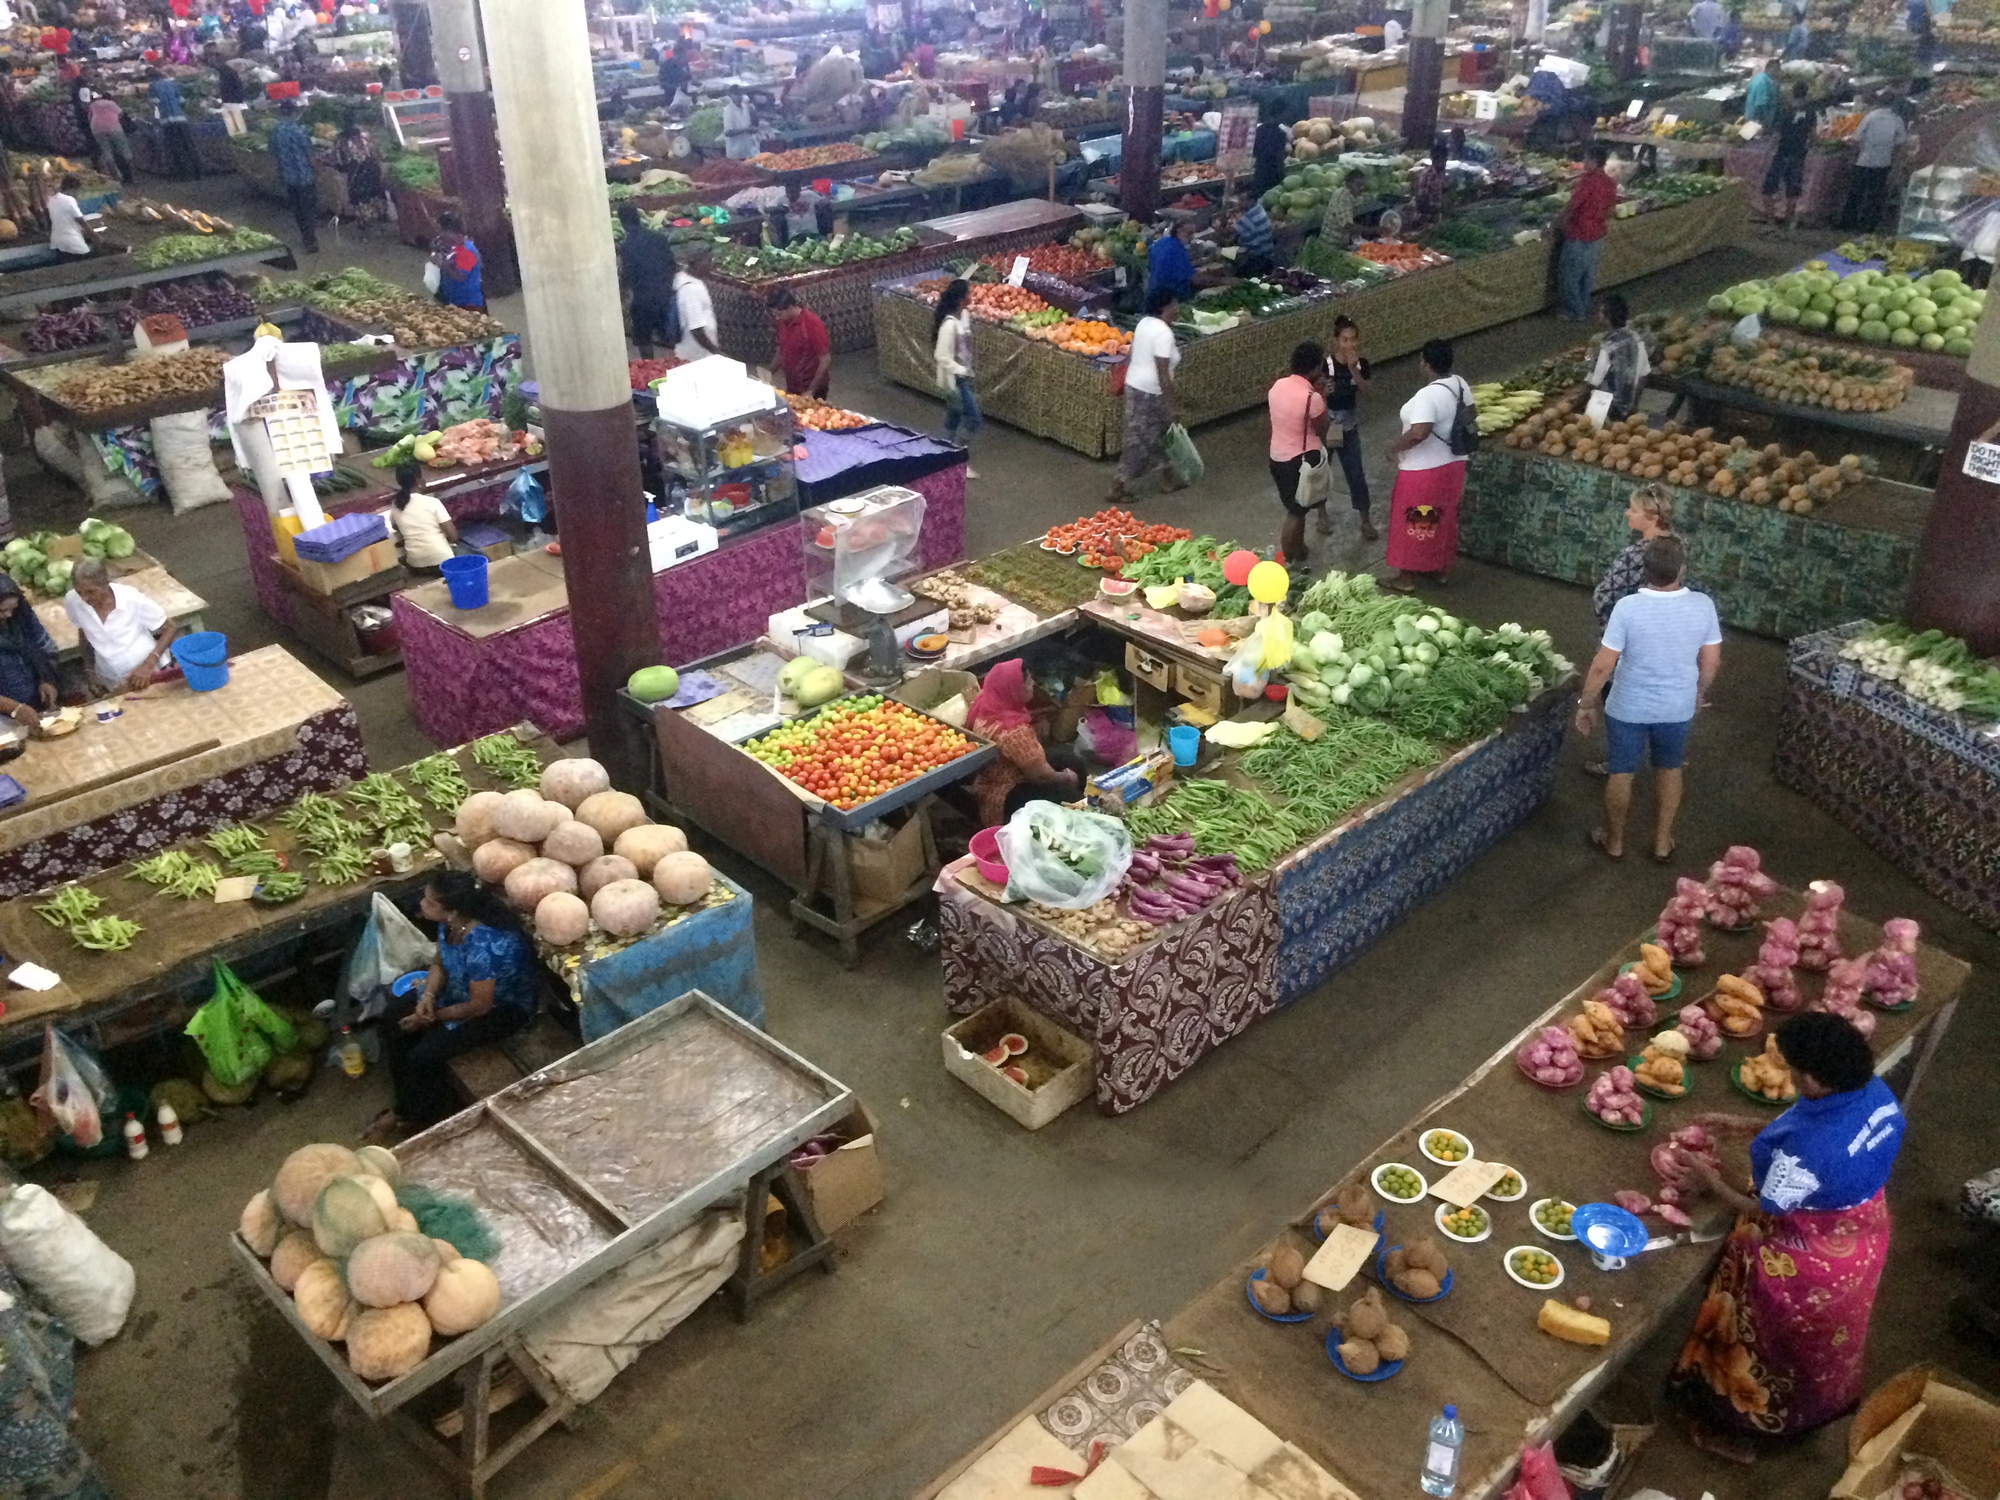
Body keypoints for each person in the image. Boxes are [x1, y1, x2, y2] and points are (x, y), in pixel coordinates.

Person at [1667, 1012, 1903, 1456]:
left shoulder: (1813, 1149)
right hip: (1862, 1230)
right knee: (1820, 1348)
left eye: (1796, 1073)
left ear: (1813, 1078)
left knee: (1766, 1344)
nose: (1793, 1080)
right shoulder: (1875, 1093)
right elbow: (1814, 1126)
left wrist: (1708, 1180)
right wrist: (1745, 1125)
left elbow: (1766, 1206)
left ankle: (1743, 1434)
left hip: (1808, 1258)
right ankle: (1810, 1413)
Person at [1573, 534, 1719, 861]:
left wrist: (1586, 704)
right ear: (1681, 568)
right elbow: (1710, 661)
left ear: (1645, 569)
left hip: (1628, 706)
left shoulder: (1627, 608)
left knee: (1622, 770)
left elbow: (1602, 666)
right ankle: (1662, 842)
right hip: (1677, 706)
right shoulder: (1702, 606)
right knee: (1669, 768)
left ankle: (1614, 842)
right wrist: (1698, 693)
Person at [367, 873, 539, 1140]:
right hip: (461, 989)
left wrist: (431, 1017)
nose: (421, 903)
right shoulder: (450, 923)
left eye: (429, 902)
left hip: (501, 1008)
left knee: (423, 1055)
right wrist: (427, 998)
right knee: (393, 1019)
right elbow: (439, 961)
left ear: (452, 910)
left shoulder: (485, 944)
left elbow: (480, 1005)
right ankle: (408, 1106)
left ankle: (421, 1114)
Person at [1383, 339, 1471, 592]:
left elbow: (1419, 432)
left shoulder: (1426, 396)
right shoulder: (1460, 384)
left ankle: (1406, 577)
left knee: (1415, 521)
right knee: (1442, 518)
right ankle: (1439, 568)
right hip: (1453, 465)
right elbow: (1469, 415)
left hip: (1423, 472)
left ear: (1425, 363)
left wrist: (1393, 446)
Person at [967, 659, 1082, 824]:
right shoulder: (1014, 731)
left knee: (1070, 759)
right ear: (1014, 689)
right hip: (1004, 790)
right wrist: (1067, 778)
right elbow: (1041, 776)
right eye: (1027, 682)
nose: (1033, 684)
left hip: (997, 771)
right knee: (1068, 792)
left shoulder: (986, 703)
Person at [1108, 284, 1184, 503]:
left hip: (1135, 386)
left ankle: (1167, 479)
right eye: (1174, 303)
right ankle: (1118, 485)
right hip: (1151, 393)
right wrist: (1172, 406)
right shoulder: (1163, 333)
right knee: (1140, 441)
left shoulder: (1144, 323)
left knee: (1160, 436)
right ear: (1165, 306)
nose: (1177, 308)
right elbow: (1162, 373)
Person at [63, 558, 181, 695]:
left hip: (149, 673)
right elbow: (84, 631)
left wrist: (147, 665)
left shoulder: (130, 598)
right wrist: (89, 671)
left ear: (105, 584)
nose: (84, 598)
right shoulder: (72, 600)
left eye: (91, 592)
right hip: (110, 678)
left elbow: (170, 627)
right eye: (79, 592)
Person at [1267, 342, 1331, 566]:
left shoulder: (1277, 386)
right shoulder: (1311, 398)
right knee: (1296, 512)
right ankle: (1286, 560)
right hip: (1300, 460)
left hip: (1277, 457)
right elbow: (1323, 428)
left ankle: (1299, 548)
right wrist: (1322, 394)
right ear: (1314, 369)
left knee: (1299, 506)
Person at [1325, 315, 1376, 540]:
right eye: (1345, 340)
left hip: (1349, 426)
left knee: (1356, 473)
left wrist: (1354, 370)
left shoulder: (1362, 364)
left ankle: (1365, 520)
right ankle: (1321, 514)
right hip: (1325, 426)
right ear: (1336, 341)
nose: (1350, 344)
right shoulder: (1325, 365)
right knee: (1320, 472)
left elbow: (1369, 394)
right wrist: (1322, 392)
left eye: (1353, 340)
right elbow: (1314, 395)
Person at [1558, 143, 1617, 320]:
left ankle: (1574, 311)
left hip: (1579, 233)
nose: (1584, 162)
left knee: (1569, 275)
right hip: (1597, 233)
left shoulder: (1588, 182)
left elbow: (1573, 205)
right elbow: (1611, 208)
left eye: (1586, 158)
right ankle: (1582, 306)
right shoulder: (1609, 182)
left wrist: (1558, 222)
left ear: (1593, 161)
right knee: (1586, 274)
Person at [932, 278, 981, 477]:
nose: (971, 297)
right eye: (968, 294)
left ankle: (945, 457)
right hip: (955, 380)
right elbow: (941, 355)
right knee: (973, 417)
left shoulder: (961, 318)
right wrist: (960, 369)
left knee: (953, 416)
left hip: (960, 377)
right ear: (961, 299)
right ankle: (958, 458)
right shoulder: (949, 325)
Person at [615, 202, 676, 357]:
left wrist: (623, 294)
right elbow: (671, 264)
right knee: (668, 335)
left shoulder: (627, 246)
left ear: (623, 223)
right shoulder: (659, 238)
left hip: (643, 299)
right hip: (664, 294)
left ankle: (650, 368)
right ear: (638, 218)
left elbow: (628, 275)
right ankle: (675, 364)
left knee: (643, 339)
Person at [1842, 95, 1908, 231]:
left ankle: (1848, 222)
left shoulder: (1870, 117)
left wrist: (1852, 157)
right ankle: (1870, 224)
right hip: (1884, 162)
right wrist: (1896, 164)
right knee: (1876, 195)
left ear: (1878, 103)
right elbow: (1900, 144)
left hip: (1864, 160)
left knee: (1856, 192)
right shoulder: (1897, 120)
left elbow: (1856, 139)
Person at [0, 576, 59, 726]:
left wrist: (46, 679)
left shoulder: (21, 617)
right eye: (2, 610)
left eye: (12, 609)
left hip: (34, 703)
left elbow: (45, 647)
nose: (8, 615)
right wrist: (14, 708)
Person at [267, 100, 320, 253]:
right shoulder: (299, 131)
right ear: (294, 112)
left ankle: (306, 237)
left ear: (281, 113)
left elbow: (272, 154)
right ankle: (311, 240)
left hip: (288, 178)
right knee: (308, 209)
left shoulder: (275, 132)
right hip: (305, 177)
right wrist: (318, 170)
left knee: (297, 210)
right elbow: (309, 154)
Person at [1588, 293, 1650, 420]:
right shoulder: (1636, 338)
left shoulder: (1607, 344)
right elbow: (1644, 374)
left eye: (1600, 312)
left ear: (1607, 316)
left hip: (1606, 408)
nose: (1597, 316)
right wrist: (1634, 403)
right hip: (1628, 407)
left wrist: (1573, 403)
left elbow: (1593, 381)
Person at [387, 461, 456, 573]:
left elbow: (395, 526)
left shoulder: (396, 504)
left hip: (416, 566)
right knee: (475, 553)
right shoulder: (432, 502)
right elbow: (453, 536)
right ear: (419, 481)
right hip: (443, 562)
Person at [1762, 81, 1815, 226]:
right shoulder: (1811, 112)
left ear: (1793, 93)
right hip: (1799, 154)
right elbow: (1813, 135)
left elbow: (1777, 135)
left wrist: (1767, 152)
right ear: (1806, 94)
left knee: (1768, 188)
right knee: (1792, 190)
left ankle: (1771, 219)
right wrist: (1810, 147)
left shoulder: (1785, 111)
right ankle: (1789, 220)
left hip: (1782, 153)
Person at [769, 287, 831, 399]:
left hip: (812, 387)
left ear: (790, 307)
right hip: (793, 385)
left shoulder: (812, 323)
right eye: (774, 315)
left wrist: (811, 391)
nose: (777, 318)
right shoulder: (783, 323)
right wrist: (768, 373)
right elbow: (782, 350)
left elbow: (825, 359)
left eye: (779, 314)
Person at [669, 241, 721, 361]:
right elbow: (696, 329)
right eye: (708, 261)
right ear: (695, 263)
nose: (711, 265)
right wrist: (716, 352)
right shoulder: (690, 289)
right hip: (695, 355)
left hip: (698, 352)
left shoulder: (690, 280)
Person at [147, 65, 201, 178]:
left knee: (176, 147)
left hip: (167, 120)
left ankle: (183, 174)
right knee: (188, 145)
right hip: (181, 118)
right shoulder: (172, 84)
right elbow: (182, 101)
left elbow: (154, 103)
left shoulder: (152, 86)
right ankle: (197, 172)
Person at [332, 119, 386, 226]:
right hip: (371, 172)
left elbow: (341, 163)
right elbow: (378, 155)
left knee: (361, 198)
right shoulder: (367, 139)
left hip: (358, 176)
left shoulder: (343, 144)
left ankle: (364, 221)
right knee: (375, 194)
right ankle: (380, 216)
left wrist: (335, 165)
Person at [432, 212, 485, 311]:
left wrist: (441, 263)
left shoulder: (466, 250)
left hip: (468, 303)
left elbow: (460, 277)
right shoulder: (451, 247)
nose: (439, 236)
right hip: (453, 299)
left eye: (441, 231)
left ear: (451, 231)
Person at [85, 87, 131, 184]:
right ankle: (128, 175)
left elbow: (89, 118)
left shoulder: (92, 105)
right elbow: (121, 115)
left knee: (106, 151)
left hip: (97, 128)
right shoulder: (112, 104)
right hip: (114, 127)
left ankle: (115, 176)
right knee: (122, 149)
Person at [1146, 217, 1195, 304]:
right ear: (1179, 231)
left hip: (1153, 293)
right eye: (1189, 233)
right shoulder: (1177, 249)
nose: (1192, 237)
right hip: (1170, 298)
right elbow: (1193, 278)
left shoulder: (1161, 242)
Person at [1406, 139, 1449, 232]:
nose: (1444, 162)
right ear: (1434, 159)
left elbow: (1443, 192)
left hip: (1435, 219)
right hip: (1423, 221)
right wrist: (1436, 209)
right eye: (1442, 159)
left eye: (1445, 159)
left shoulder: (1442, 174)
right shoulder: (1428, 175)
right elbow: (1421, 201)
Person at [45, 173, 90, 258]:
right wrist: (96, 236)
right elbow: (81, 220)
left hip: (57, 243)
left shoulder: (52, 200)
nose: (77, 194)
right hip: (72, 242)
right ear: (72, 188)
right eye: (76, 190)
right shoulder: (69, 200)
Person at [1319, 168, 1366, 244]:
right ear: (1348, 184)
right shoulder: (1343, 197)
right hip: (1331, 244)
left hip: (1340, 242)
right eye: (1358, 185)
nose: (1362, 188)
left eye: (1363, 185)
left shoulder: (1351, 194)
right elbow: (1347, 226)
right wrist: (1371, 230)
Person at [1233, 195, 1276, 276]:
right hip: (1268, 255)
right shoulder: (1259, 208)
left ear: (1251, 200)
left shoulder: (1248, 217)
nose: (1239, 203)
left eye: (1242, 200)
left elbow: (1231, 232)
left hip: (1259, 259)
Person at [1251, 105, 1287, 197]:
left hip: (1260, 172)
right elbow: (1280, 155)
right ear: (1281, 114)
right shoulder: (1280, 134)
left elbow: (1254, 151)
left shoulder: (1259, 130)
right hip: (1274, 174)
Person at [722, 85, 760, 160]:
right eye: (736, 94)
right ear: (731, 96)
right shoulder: (728, 110)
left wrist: (754, 114)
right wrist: (746, 130)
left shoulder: (745, 106)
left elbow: (750, 124)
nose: (739, 97)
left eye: (740, 94)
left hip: (748, 149)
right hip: (735, 152)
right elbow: (728, 132)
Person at [1743, 57, 1780, 130]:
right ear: (1771, 68)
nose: (1778, 73)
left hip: (1751, 119)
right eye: (1777, 70)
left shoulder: (1759, 77)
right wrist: (1764, 125)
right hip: (1756, 123)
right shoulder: (1764, 83)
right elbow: (1760, 104)